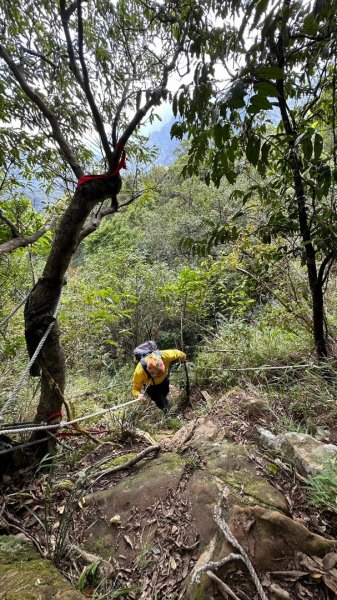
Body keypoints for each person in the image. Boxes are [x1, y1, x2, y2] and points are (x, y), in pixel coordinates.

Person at [132, 341, 186, 412]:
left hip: (164, 380)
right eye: (156, 374)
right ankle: (167, 411)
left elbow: (179, 353)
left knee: (165, 392)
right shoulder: (140, 370)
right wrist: (138, 395)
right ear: (148, 369)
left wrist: (184, 358)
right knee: (159, 401)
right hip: (151, 387)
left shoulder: (165, 355)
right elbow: (135, 389)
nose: (158, 375)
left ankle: (165, 401)